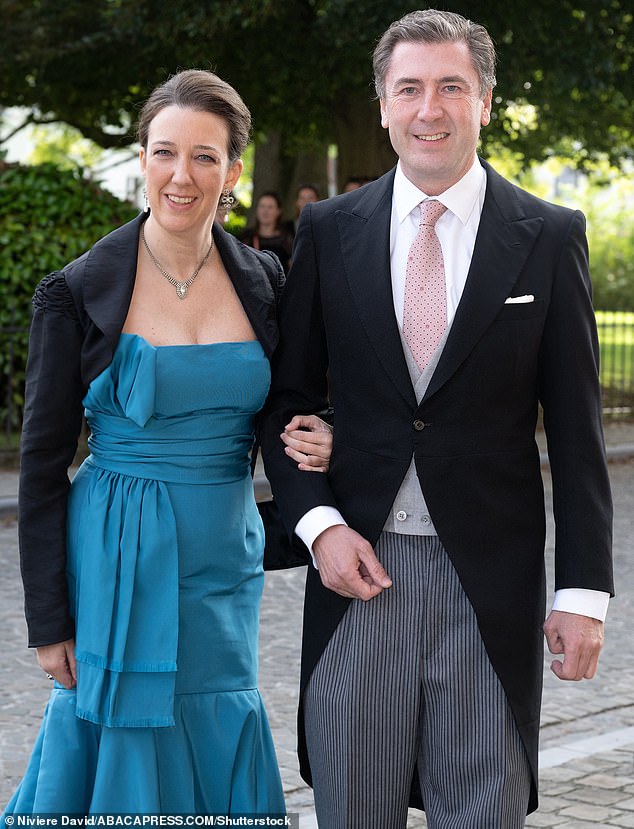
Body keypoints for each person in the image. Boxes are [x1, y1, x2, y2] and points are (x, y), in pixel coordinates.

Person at [260, 9, 614, 829]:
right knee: (353, 810)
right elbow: (285, 401)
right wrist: (316, 525)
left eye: (451, 87)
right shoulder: (328, 230)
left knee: (483, 814)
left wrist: (584, 593)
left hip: (489, 586)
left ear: (484, 102)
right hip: (357, 573)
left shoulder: (548, 236)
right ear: (383, 104)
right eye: (409, 88)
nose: (430, 109)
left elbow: (578, 429)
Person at [2, 69, 332, 818]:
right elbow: (44, 464)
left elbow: (292, 409)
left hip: (223, 551)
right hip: (117, 552)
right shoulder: (76, 290)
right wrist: (49, 620)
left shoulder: (265, 281)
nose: (182, 175)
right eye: (164, 152)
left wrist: (327, 440)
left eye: (205, 156)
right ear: (142, 161)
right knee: (121, 725)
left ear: (232, 173)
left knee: (219, 708)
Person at [241, 191, 294, 274]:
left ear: (278, 211)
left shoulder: (286, 239)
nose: (265, 211)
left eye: (270, 207)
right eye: (262, 206)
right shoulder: (247, 237)